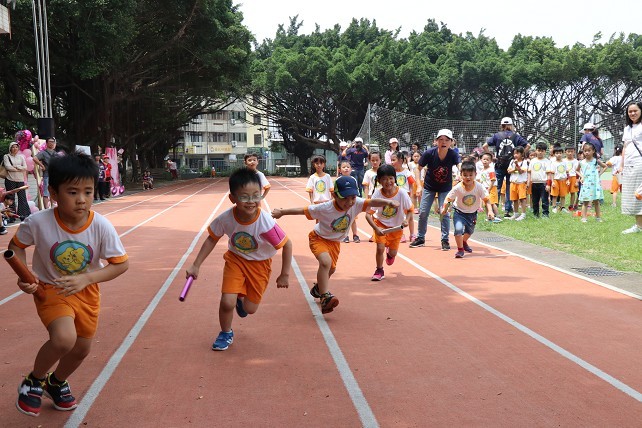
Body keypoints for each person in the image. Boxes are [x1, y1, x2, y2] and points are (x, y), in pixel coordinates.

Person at [11, 151, 129, 417]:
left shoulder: (101, 226)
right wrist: (24, 276)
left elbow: (121, 264)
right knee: (64, 339)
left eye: (88, 192)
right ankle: (34, 380)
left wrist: (87, 278)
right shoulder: (38, 222)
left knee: (81, 350)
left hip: (87, 292)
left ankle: (55, 383)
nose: (82, 199)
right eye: (73, 192)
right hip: (51, 289)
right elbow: (16, 246)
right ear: (54, 193)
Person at [186, 168, 292, 350]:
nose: (251, 201)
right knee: (227, 302)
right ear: (232, 198)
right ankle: (225, 332)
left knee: (250, 309)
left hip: (260, 265)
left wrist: (285, 274)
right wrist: (196, 265)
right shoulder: (226, 218)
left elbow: (287, 244)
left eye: (256, 196)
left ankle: (240, 300)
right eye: (244, 197)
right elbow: (212, 239)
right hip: (236, 260)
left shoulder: (265, 222)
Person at [271, 176, 398, 314]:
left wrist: (388, 202)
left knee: (330, 269)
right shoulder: (325, 208)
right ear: (334, 195)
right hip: (318, 238)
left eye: (352, 198)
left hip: (335, 242)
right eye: (345, 198)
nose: (349, 202)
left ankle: (318, 289)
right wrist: (282, 212)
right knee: (325, 262)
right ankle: (325, 297)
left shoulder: (356, 203)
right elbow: (303, 210)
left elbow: (372, 201)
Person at [410, 129, 460, 250]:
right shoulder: (429, 153)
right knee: (423, 212)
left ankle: (445, 240)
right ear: (436, 141)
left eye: (447, 140)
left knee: (445, 213)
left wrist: (461, 174)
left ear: (451, 142)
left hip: (445, 188)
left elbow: (460, 166)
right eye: (441, 139)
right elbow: (418, 169)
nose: (443, 142)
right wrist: (419, 185)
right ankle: (420, 238)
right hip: (429, 187)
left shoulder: (453, 154)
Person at [365, 165, 413, 281]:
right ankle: (379, 270)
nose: (388, 181)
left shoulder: (402, 193)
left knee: (393, 253)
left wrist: (406, 220)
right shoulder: (377, 194)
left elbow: (410, 210)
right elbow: (368, 214)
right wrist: (376, 228)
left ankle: (390, 254)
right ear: (379, 181)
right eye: (384, 179)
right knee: (380, 248)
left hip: (396, 228)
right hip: (381, 225)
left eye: (391, 178)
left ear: (395, 178)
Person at [440, 161, 494, 258]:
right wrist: (445, 209)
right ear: (461, 175)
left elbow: (486, 200)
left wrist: (490, 211)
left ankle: (464, 241)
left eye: (470, 175)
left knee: (470, 231)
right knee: (458, 230)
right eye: (465, 175)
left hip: (472, 214)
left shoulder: (479, 187)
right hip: (459, 212)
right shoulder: (457, 188)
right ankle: (460, 249)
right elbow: (449, 199)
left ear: (475, 174)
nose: (468, 177)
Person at [482, 117, 530, 218]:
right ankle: (508, 210)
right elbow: (528, 145)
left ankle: (494, 208)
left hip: (499, 164)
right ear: (511, 125)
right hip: (511, 164)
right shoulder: (516, 136)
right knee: (509, 187)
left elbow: (484, 146)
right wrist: (521, 155)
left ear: (502, 125)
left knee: (497, 187)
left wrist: (492, 156)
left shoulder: (497, 136)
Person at [619, 101, 642, 234]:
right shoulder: (627, 128)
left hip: (640, 162)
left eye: (635, 111)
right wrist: (622, 165)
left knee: (639, 193)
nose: (632, 113)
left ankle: (639, 226)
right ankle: (639, 225)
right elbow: (625, 147)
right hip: (629, 164)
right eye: (630, 111)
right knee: (634, 195)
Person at [576, 142, 607, 223]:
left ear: (593, 151)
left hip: (595, 184)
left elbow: (605, 166)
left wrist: (599, 174)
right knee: (585, 202)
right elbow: (577, 170)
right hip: (586, 184)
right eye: (585, 151)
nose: (587, 152)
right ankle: (584, 218)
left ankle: (598, 218)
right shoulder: (582, 162)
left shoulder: (595, 161)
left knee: (596, 201)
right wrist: (582, 176)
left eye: (589, 150)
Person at [390, 151, 416, 243]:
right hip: (396, 198)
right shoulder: (391, 173)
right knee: (398, 217)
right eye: (391, 160)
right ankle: (401, 234)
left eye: (394, 160)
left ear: (401, 160)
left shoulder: (407, 172)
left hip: (406, 198)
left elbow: (411, 185)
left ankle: (412, 234)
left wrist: (411, 196)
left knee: (410, 217)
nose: (392, 162)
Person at [3, 141, 31, 219]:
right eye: (13, 147)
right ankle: (11, 217)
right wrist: (19, 168)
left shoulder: (21, 157)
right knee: (10, 198)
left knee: (22, 197)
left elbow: (25, 167)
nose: (15, 148)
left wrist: (17, 167)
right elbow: (8, 167)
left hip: (20, 180)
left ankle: (23, 215)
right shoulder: (6, 156)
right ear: (10, 148)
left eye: (16, 147)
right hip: (10, 179)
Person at [33, 137, 60, 209]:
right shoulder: (43, 152)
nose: (52, 143)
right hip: (47, 175)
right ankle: (47, 209)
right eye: (50, 141)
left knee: (54, 192)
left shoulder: (56, 154)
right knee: (46, 193)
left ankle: (54, 208)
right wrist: (42, 165)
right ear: (47, 143)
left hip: (55, 176)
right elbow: (35, 158)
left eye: (53, 142)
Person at [338, 160, 361, 243]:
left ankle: (355, 235)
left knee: (353, 220)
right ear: (340, 170)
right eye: (344, 167)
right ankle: (345, 235)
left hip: (352, 204)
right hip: (343, 204)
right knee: (344, 220)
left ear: (351, 169)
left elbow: (356, 191)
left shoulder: (353, 179)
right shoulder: (338, 180)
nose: (346, 169)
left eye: (348, 167)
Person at [527, 143, 552, 218]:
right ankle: (536, 214)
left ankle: (545, 214)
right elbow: (529, 172)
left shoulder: (547, 161)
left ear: (545, 152)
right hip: (534, 183)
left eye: (542, 151)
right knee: (535, 200)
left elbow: (549, 174)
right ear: (536, 151)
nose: (540, 152)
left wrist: (548, 184)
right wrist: (528, 182)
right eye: (538, 150)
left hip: (543, 183)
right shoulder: (532, 161)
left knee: (544, 200)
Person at [478, 152, 501, 222]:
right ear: (481, 160)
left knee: (492, 203)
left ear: (490, 161)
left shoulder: (491, 170)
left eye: (487, 160)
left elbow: (493, 180)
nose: (485, 161)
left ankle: (497, 216)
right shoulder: (482, 170)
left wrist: (489, 189)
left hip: (491, 188)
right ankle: (489, 216)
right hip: (484, 189)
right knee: (486, 203)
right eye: (484, 159)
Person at [507, 146, 528, 221]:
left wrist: (517, 166)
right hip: (513, 182)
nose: (515, 155)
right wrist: (514, 169)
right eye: (514, 153)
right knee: (514, 199)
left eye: (517, 153)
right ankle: (515, 213)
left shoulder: (524, 162)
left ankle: (523, 214)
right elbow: (509, 171)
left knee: (522, 198)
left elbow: (521, 171)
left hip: (521, 182)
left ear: (522, 154)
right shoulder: (512, 161)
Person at [549, 146, 569, 213]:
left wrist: (568, 180)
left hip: (563, 180)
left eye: (560, 153)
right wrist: (552, 181)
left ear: (562, 154)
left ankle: (562, 207)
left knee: (563, 195)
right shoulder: (553, 163)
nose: (559, 154)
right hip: (556, 180)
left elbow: (567, 172)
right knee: (555, 195)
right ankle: (554, 207)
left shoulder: (564, 163)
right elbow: (552, 173)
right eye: (557, 153)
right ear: (554, 154)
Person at [564, 145, 579, 211]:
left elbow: (578, 172)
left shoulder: (576, 161)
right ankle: (562, 206)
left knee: (573, 192)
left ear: (574, 152)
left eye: (571, 151)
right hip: (564, 178)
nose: (570, 153)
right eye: (568, 151)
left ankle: (571, 206)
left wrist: (577, 181)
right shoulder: (563, 161)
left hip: (573, 177)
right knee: (563, 192)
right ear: (565, 152)